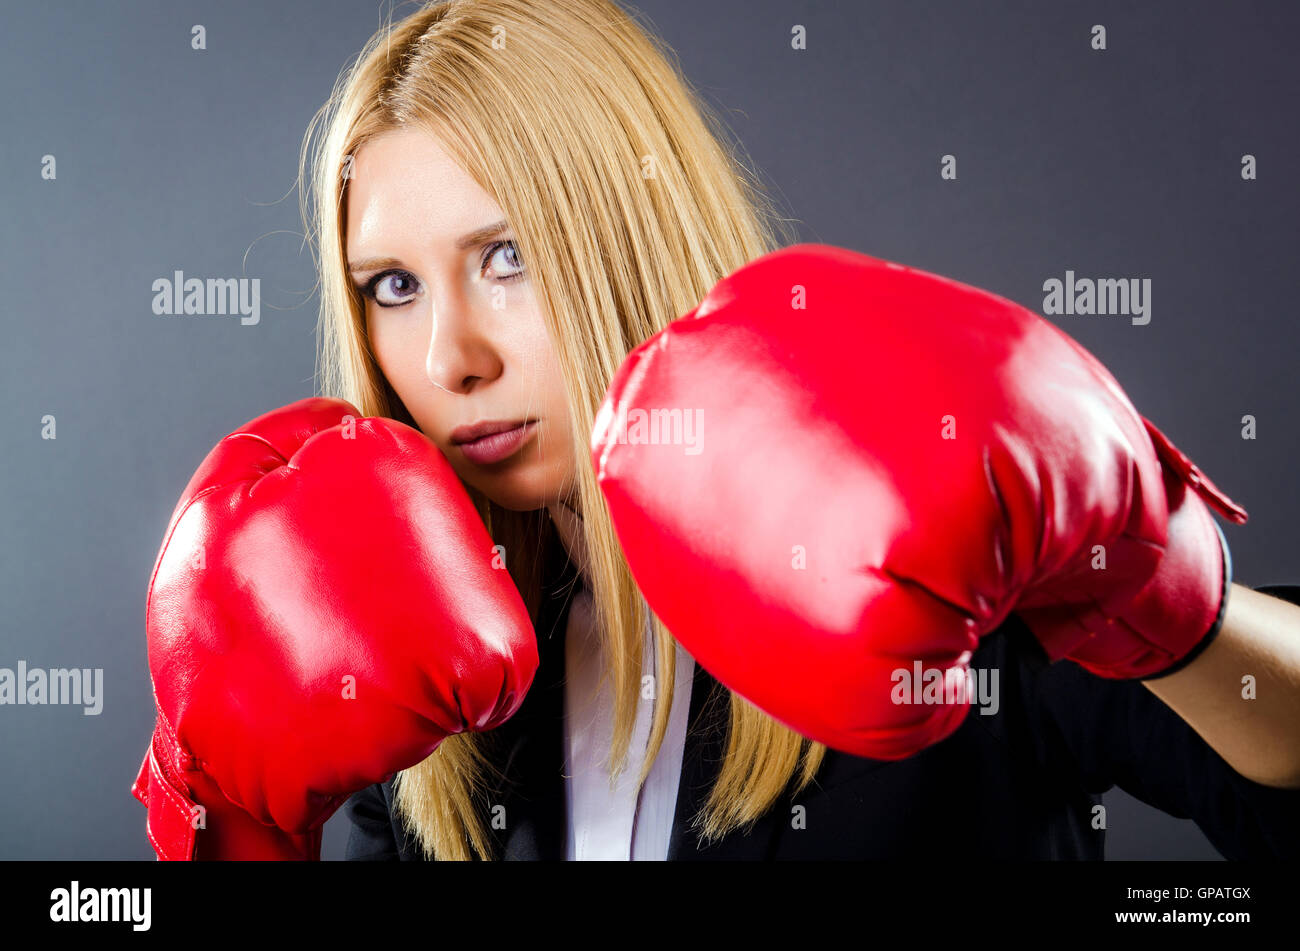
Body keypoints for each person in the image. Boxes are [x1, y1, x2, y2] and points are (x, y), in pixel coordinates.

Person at [135, 0, 1300, 861]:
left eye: (507, 257)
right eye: (391, 286)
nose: (450, 358)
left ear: (635, 234)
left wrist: (1157, 590)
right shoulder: (429, 674)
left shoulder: (936, 544)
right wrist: (227, 823)